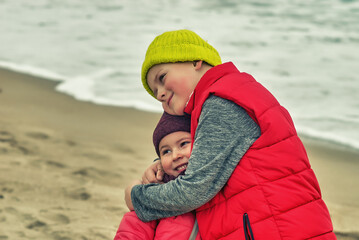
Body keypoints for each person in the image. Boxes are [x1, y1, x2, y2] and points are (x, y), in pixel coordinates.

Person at [126, 29, 336, 239]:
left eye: (162, 77)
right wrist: (164, 167)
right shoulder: (234, 92)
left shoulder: (221, 104)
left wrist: (135, 196)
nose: (160, 93)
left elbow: (192, 191)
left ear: (195, 61)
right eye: (155, 93)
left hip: (278, 230)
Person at [114, 112, 201, 240]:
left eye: (183, 144)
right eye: (166, 151)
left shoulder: (213, 183)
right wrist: (134, 188)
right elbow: (133, 229)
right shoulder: (154, 194)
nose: (175, 155)